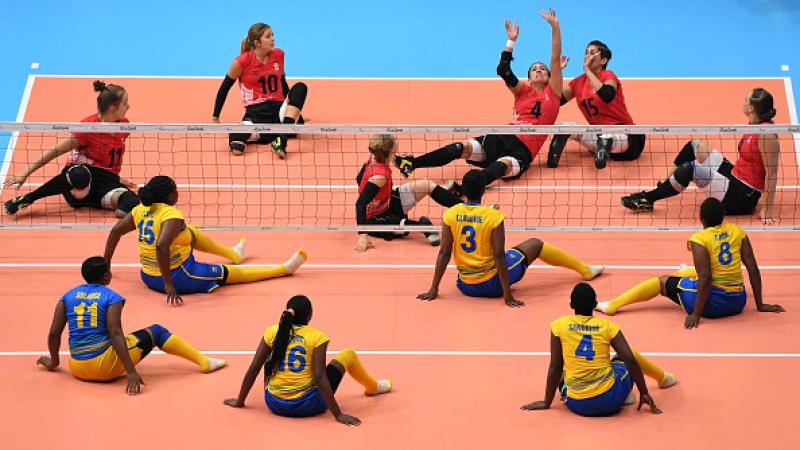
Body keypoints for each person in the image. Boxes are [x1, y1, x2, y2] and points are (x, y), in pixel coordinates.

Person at [393, 9, 567, 188]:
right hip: (501, 138)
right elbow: (502, 69)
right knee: (459, 149)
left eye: (543, 69)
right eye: (534, 69)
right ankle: (411, 164)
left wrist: (555, 27)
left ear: (550, 76)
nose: (539, 69)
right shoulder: (522, 91)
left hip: (522, 151)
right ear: (529, 78)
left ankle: (464, 190)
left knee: (501, 167)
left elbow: (554, 57)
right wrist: (511, 41)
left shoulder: (553, 92)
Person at [37, 256, 226, 395]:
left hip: (76, 367)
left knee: (117, 338)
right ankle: (203, 362)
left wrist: (54, 362)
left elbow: (54, 333)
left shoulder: (68, 296)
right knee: (157, 331)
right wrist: (131, 372)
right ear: (106, 275)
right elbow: (115, 333)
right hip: (102, 368)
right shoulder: (112, 297)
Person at [104, 175, 306, 305]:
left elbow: (115, 232)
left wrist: (106, 265)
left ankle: (232, 253)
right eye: (176, 190)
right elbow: (161, 246)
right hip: (178, 276)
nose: (178, 193)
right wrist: (169, 285)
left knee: (188, 232)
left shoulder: (139, 210)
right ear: (170, 195)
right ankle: (283, 269)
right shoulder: (171, 214)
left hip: (147, 274)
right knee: (229, 273)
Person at [417, 170, 603, 308]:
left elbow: (444, 253)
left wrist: (433, 288)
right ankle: (585, 270)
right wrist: (507, 295)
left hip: (464, 284)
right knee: (535, 244)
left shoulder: (451, 214)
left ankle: (585, 269)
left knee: (502, 253)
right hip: (491, 285)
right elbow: (499, 256)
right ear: (483, 191)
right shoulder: (493, 216)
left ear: (463, 190)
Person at [597, 198, 784, 328]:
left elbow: (706, 277)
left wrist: (696, 313)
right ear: (723, 215)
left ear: (701, 219)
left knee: (662, 282)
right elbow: (752, 267)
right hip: (738, 301)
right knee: (699, 271)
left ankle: (614, 304)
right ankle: (685, 273)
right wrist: (760, 304)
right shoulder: (737, 231)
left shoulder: (699, 239)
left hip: (714, 305)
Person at [620, 88, 780, 226]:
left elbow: (772, 173)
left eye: (746, 100)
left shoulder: (767, 136)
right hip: (735, 177)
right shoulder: (753, 124)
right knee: (695, 145)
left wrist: (767, 208)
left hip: (743, 196)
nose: (743, 102)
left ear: (751, 108)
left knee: (690, 169)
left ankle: (647, 199)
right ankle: (663, 184)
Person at [224, 295, 391, 425]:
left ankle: (280, 387)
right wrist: (338, 414)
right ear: (309, 315)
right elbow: (319, 377)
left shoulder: (271, 331)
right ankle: (373, 387)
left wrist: (239, 401)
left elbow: (254, 368)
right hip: (308, 406)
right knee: (347, 355)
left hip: (274, 403)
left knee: (269, 357)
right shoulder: (317, 336)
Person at [521, 283, 675, 417]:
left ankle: (623, 395)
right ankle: (655, 382)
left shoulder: (558, 325)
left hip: (577, 405)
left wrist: (546, 402)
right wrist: (644, 392)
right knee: (625, 358)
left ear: (571, 305)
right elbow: (629, 358)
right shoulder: (607, 326)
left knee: (563, 375)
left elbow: (555, 366)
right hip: (610, 401)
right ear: (595, 304)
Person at [3, 81, 140, 217]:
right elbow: (55, 151)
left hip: (107, 185)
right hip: (80, 185)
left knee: (132, 202)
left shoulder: (124, 126)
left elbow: (109, 160)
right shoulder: (87, 129)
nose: (128, 106)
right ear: (112, 108)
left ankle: (101, 201)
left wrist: (116, 178)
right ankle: (27, 199)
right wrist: (24, 173)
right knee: (80, 175)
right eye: (125, 103)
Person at [212, 22, 307, 158]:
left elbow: (283, 84)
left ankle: (282, 140)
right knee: (237, 149)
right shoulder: (241, 62)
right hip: (256, 117)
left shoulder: (279, 55)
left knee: (300, 87)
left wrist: (295, 114)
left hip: (279, 114)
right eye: (268, 36)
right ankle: (281, 132)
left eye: (273, 35)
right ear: (257, 42)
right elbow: (224, 88)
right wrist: (215, 117)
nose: (273, 38)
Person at [355, 134, 463, 252]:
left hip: (387, 201)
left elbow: (359, 178)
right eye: (395, 142)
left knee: (426, 185)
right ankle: (423, 226)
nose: (397, 142)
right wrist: (362, 235)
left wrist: (403, 165)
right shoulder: (379, 176)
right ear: (389, 151)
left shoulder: (375, 157)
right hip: (374, 219)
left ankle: (465, 208)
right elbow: (360, 203)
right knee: (402, 230)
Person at [548, 40, 645, 169]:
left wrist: (587, 70)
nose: (587, 56)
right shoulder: (578, 82)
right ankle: (552, 161)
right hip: (599, 138)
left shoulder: (608, 76)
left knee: (607, 136)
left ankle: (601, 155)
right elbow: (554, 100)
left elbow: (607, 95)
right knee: (564, 126)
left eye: (592, 53)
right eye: (586, 52)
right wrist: (556, 73)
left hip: (627, 139)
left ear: (603, 61)